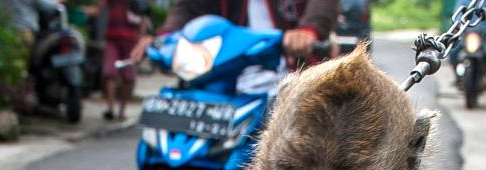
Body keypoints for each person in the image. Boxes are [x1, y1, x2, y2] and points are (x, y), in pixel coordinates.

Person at [129, 0, 338, 66]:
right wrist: (164, 38)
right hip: (226, 65)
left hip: (290, 67)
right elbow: (189, 8)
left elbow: (321, 7)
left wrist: (308, 32)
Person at [84, 0, 149, 119]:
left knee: (129, 77)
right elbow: (99, 8)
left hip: (131, 41)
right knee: (110, 73)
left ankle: (122, 111)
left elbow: (143, 16)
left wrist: (141, 40)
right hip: (112, 39)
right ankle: (111, 109)